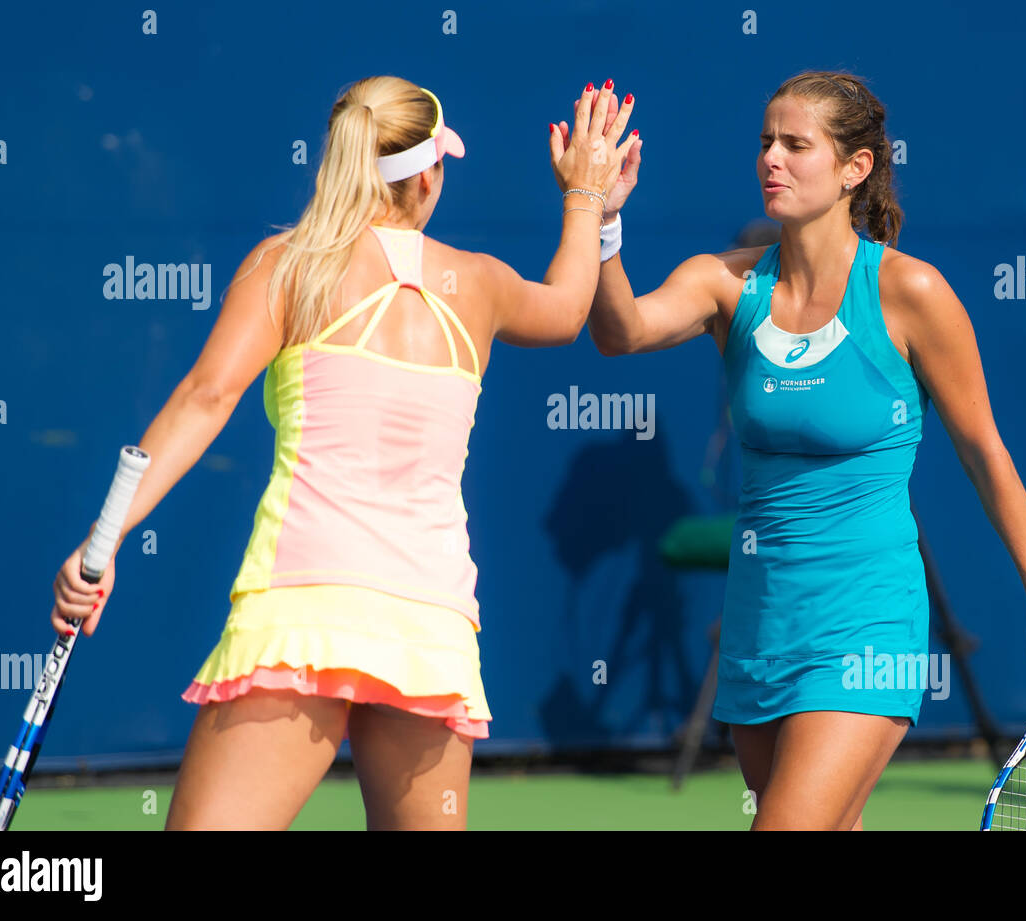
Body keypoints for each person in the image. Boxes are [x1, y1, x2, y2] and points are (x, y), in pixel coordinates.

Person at [49, 75, 637, 830]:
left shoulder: (286, 265)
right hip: (429, 629)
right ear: (427, 173)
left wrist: (107, 538)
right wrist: (587, 195)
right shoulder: (480, 285)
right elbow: (567, 307)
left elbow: (206, 397)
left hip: (302, 611)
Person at [576, 70, 1026, 830]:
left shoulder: (912, 293)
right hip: (762, 622)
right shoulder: (725, 283)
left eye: (795, 144)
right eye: (764, 143)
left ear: (856, 168)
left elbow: (985, 453)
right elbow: (619, 332)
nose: (771, 161)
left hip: (868, 623)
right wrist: (602, 222)